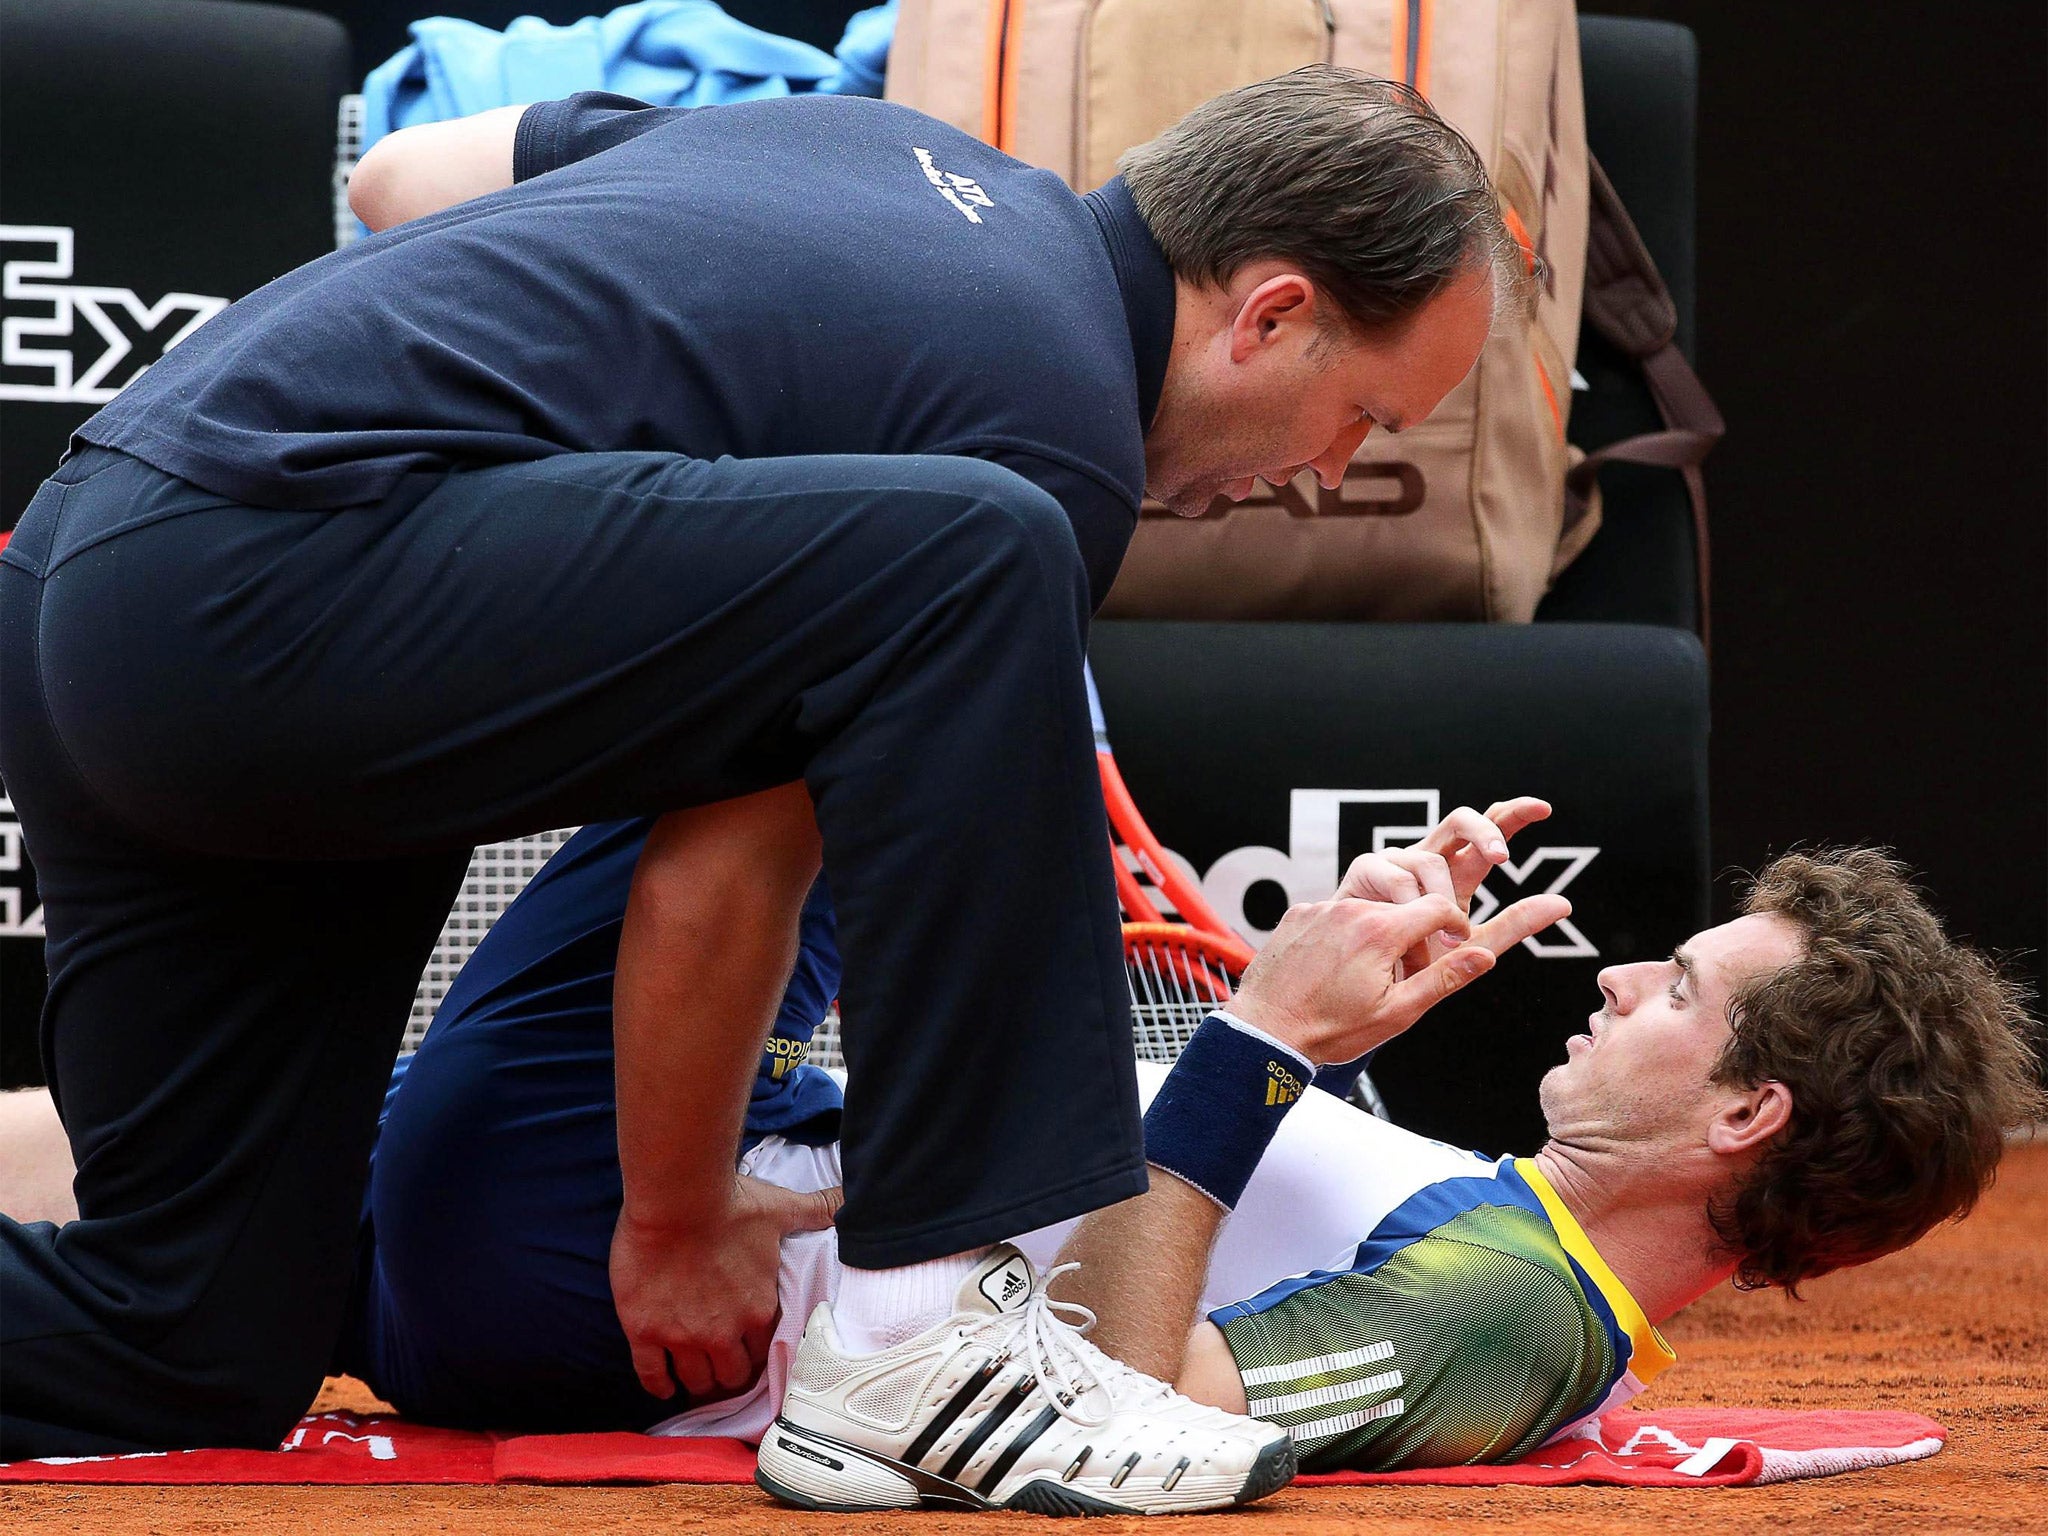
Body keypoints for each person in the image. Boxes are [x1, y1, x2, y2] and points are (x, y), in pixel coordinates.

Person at [0, 66, 1523, 1486]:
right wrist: (674, 1224)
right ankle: (921, 1333)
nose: (1326, 476)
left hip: (97, 557)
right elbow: (728, 869)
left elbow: (407, 176)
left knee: (190, 1336)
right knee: (979, 559)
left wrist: (590, 412)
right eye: (1360, 420)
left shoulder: (854, 140)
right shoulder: (1046, 426)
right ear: (1268, 314)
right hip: (250, 601)